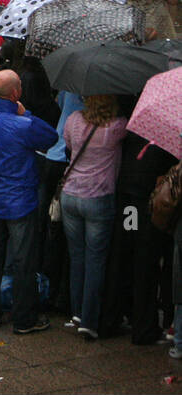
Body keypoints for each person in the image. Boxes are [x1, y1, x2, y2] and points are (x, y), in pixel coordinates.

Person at [0, 69, 59, 334]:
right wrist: (25, 113)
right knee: (23, 261)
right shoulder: (25, 125)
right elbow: (51, 137)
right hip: (20, 201)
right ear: (16, 93)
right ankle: (23, 318)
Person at [59, 95, 126, 340]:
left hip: (70, 195)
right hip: (98, 198)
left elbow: (67, 144)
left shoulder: (74, 119)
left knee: (77, 257)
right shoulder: (117, 127)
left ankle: (76, 312)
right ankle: (89, 319)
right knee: (96, 260)